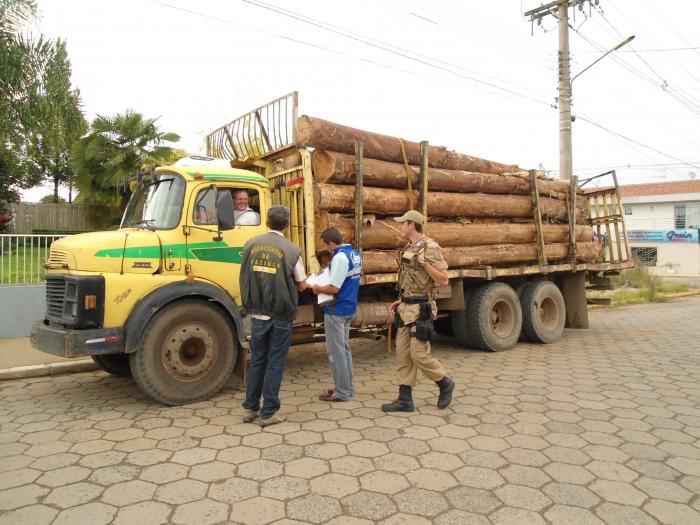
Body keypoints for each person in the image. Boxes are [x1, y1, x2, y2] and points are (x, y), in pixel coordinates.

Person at [382, 210, 455, 412]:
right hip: (406, 306)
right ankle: (405, 399)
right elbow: (410, 279)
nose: (399, 227)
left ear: (411, 225)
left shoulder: (431, 247)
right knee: (403, 354)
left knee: (419, 355)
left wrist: (424, 263)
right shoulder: (410, 246)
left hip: (421, 307)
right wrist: (400, 300)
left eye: (402, 223)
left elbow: (443, 279)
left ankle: (444, 383)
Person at [240, 205, 306, 426]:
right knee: (275, 362)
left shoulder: (250, 244)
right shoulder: (292, 250)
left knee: (258, 359)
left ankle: (250, 408)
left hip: (257, 312)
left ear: (267, 222)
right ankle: (268, 413)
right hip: (280, 314)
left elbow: (246, 273)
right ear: (287, 225)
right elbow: (302, 283)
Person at [311, 227, 362, 402]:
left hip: (336, 309)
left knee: (336, 352)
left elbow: (334, 288)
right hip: (348, 307)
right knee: (344, 350)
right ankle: (348, 388)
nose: (327, 249)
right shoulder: (354, 254)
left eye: (327, 246)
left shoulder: (340, 257)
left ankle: (342, 392)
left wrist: (317, 288)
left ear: (332, 243)